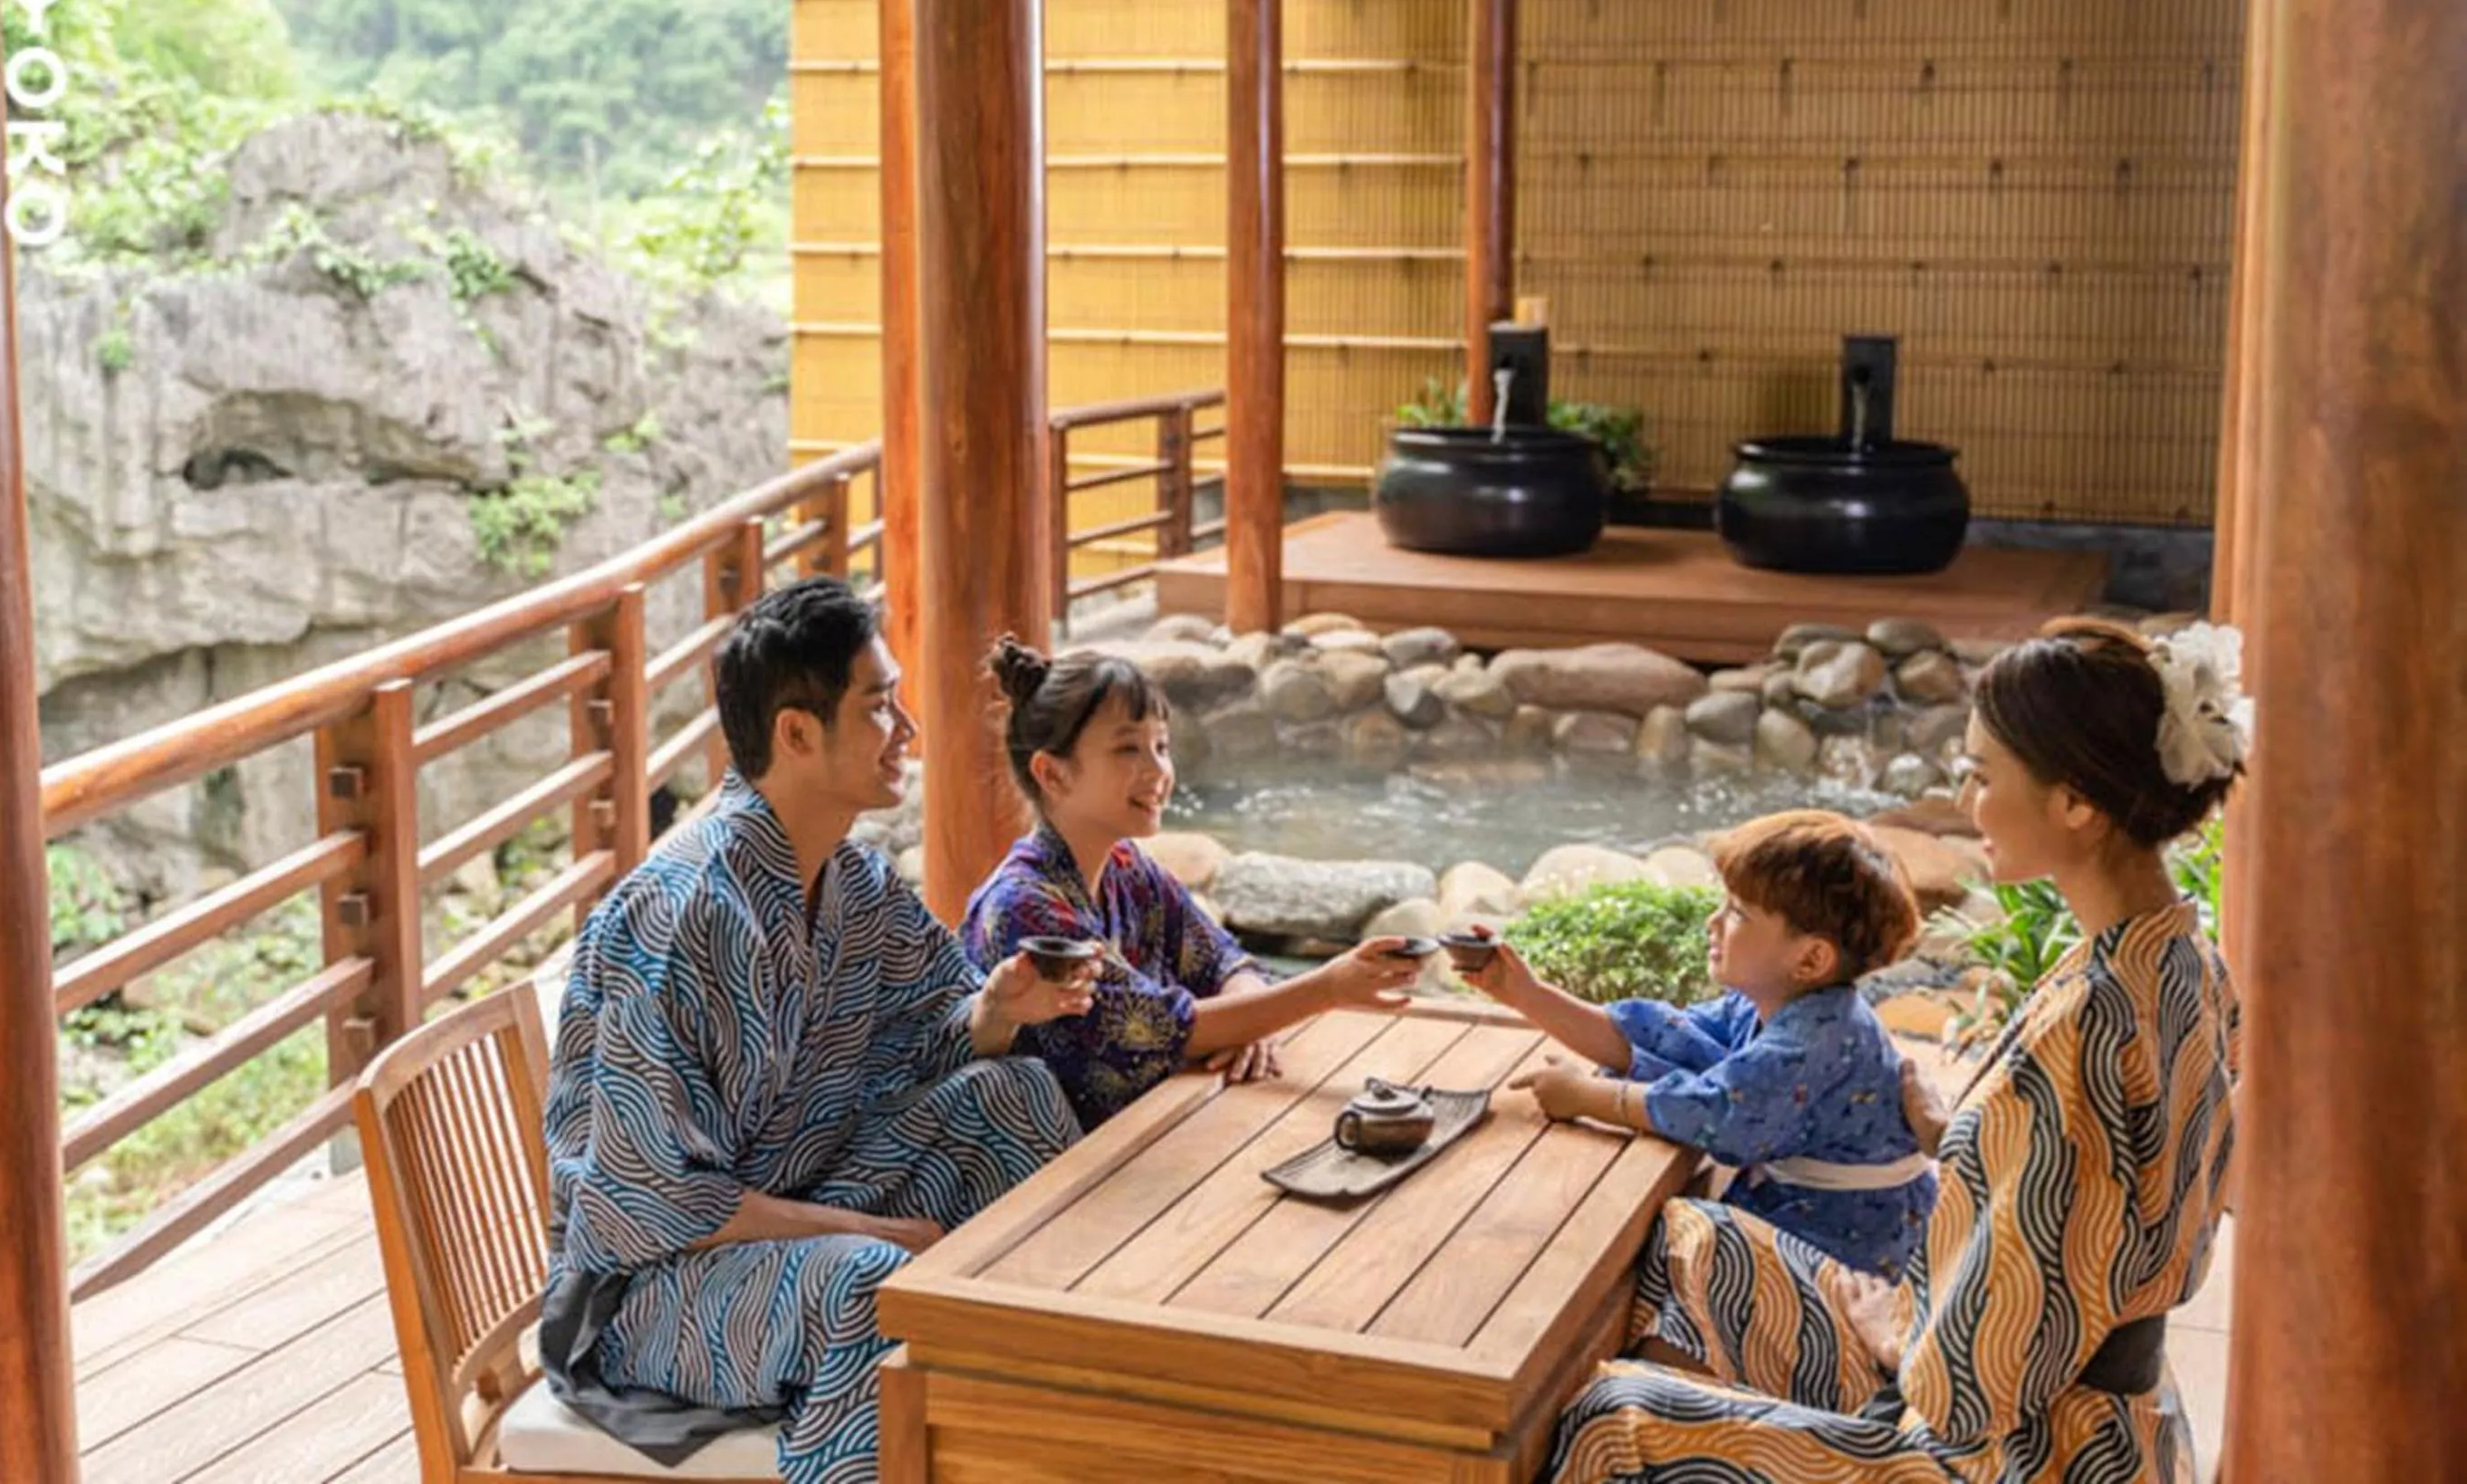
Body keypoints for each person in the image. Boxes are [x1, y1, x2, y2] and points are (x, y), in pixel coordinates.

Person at [1540, 619, 2246, 1484]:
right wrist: (1947, 1129)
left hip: (2020, 1450)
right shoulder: (2180, 956)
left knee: (1614, 1419)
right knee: (1696, 1236)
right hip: (2073, 1400)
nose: (1965, 798)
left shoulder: (2092, 1020)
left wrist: (1900, 1337)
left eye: (1984, 775)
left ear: (2076, 803)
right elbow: (2109, 1203)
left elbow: (1981, 1384)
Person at [537, 579, 1090, 1484]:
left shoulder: (855, 884)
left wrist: (995, 1012)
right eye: (879, 708)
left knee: (1017, 1096)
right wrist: (889, 1237)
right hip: (648, 1294)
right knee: (867, 1282)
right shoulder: (687, 912)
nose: (906, 731)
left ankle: (1043, 1441)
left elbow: (928, 1043)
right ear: (797, 734)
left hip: (802, 1198)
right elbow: (652, 1205)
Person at [960, 637, 1426, 1127]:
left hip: (1149, 1132)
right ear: (1052, 775)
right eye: (1127, 749)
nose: (1158, 770)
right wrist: (1327, 988)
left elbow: (1226, 959)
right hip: (1049, 1174)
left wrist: (1248, 1023)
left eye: (1161, 746)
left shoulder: (1126, 867)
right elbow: (1157, 1027)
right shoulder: (1022, 908)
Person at [1471, 809, 1935, 1278]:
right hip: (1811, 1212)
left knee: (1661, 1246)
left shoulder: (1813, 1039)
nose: (1713, 922)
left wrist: (1587, 1097)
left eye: (1737, 913)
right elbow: (1666, 1038)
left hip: (1845, 1250)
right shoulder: (1771, 1003)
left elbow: (1717, 1115)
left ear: (1811, 958)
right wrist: (1526, 994)